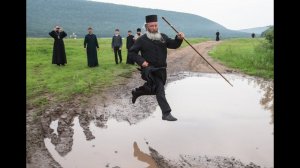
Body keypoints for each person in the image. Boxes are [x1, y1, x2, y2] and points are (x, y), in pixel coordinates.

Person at [129, 15, 185, 121]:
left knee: (154, 89)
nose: (154, 28)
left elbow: (174, 44)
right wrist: (141, 61)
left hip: (161, 69)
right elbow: (132, 53)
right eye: (151, 26)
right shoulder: (142, 40)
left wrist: (179, 38)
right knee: (160, 89)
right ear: (147, 27)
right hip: (149, 70)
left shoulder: (163, 37)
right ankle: (166, 113)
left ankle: (137, 92)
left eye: (155, 25)